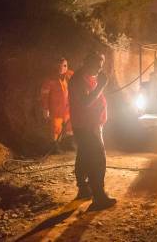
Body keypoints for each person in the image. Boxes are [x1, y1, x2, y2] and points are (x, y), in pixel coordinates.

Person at [69, 52, 116, 210]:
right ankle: (99, 196)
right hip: (87, 126)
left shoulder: (88, 77)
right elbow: (85, 102)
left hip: (90, 124)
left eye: (101, 66)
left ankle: (84, 189)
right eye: (97, 66)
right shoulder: (77, 79)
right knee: (97, 159)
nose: (99, 70)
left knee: (84, 156)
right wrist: (101, 85)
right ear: (87, 62)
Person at [40, 57, 74, 146]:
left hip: (68, 108)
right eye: (59, 66)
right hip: (56, 109)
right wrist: (45, 108)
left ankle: (68, 144)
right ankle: (55, 146)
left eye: (64, 66)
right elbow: (44, 95)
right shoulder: (49, 80)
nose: (61, 68)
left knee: (69, 127)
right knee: (56, 128)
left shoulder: (70, 76)